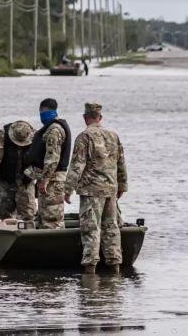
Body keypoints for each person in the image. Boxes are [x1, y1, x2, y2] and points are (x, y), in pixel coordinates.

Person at [64, 102, 128, 274]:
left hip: (91, 191)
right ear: (100, 117)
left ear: (85, 118)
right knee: (112, 228)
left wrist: (67, 189)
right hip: (110, 190)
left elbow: (77, 165)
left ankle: (90, 269)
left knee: (91, 229)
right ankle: (115, 267)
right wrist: (122, 185)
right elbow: (121, 162)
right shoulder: (113, 135)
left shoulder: (84, 137)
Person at [24, 98, 72, 229]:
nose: (41, 116)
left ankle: (55, 246)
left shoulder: (54, 130)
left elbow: (52, 157)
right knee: (44, 217)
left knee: (52, 220)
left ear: (44, 110)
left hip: (52, 181)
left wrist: (45, 180)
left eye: (41, 112)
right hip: (50, 179)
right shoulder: (51, 128)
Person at [0, 119, 36, 224]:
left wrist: (31, 174)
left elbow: (40, 161)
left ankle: (28, 235)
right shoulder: (2, 136)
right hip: (5, 181)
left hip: (25, 181)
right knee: (3, 214)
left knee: (27, 215)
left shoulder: (36, 137)